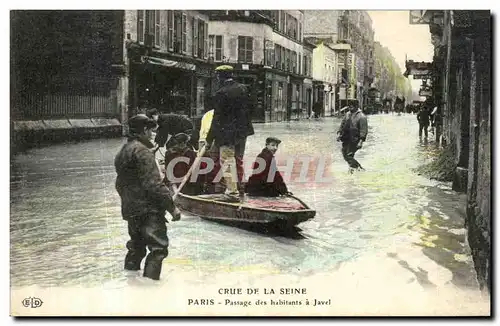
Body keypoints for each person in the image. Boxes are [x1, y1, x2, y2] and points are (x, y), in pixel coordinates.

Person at [114, 115, 181, 281]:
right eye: (150, 130)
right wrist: (172, 208)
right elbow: (154, 185)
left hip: (131, 209)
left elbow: (119, 184)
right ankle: (150, 291)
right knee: (158, 249)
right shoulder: (143, 152)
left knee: (136, 248)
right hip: (148, 210)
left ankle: (131, 283)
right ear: (144, 130)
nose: (152, 134)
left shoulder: (123, 151)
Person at [206, 65, 254, 202]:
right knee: (238, 160)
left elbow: (217, 119)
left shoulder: (221, 92)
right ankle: (239, 188)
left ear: (220, 76)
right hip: (242, 132)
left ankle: (232, 193)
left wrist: (209, 139)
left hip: (227, 134)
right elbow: (251, 109)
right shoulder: (243, 88)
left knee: (226, 161)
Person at [336, 99, 368, 173]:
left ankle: (359, 168)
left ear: (357, 106)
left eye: (352, 107)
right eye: (349, 107)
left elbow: (364, 130)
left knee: (349, 154)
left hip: (355, 139)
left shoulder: (362, 117)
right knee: (344, 152)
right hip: (346, 137)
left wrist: (361, 141)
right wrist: (339, 134)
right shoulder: (347, 114)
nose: (350, 109)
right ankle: (352, 169)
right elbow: (342, 125)